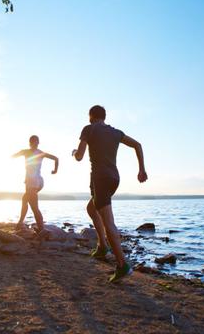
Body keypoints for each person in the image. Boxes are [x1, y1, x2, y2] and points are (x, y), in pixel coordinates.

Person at [73, 105, 147, 282]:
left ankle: (122, 265)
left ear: (91, 116)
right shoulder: (116, 132)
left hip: (100, 179)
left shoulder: (88, 129)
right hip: (114, 178)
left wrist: (75, 152)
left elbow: (80, 156)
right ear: (104, 117)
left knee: (109, 222)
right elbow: (137, 145)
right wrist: (141, 170)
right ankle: (102, 246)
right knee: (92, 208)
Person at [12, 135, 58, 233]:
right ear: (36, 143)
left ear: (30, 143)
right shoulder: (40, 153)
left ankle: (41, 229)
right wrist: (55, 170)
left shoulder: (26, 152)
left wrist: (55, 170)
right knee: (25, 199)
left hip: (32, 182)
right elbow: (56, 158)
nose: (35, 144)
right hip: (38, 181)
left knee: (33, 206)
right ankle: (20, 223)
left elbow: (13, 156)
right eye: (35, 142)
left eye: (35, 142)